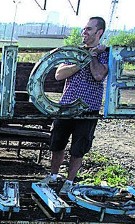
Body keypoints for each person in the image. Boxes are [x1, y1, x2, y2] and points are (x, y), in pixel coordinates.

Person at [43, 16, 109, 195]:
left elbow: (98, 75)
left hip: (89, 108)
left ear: (99, 32)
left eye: (88, 29)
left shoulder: (105, 54)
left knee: (78, 148)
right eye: (84, 29)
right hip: (66, 106)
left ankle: (70, 182)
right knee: (57, 143)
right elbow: (59, 74)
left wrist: (94, 56)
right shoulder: (75, 52)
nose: (84, 32)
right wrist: (84, 59)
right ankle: (53, 176)